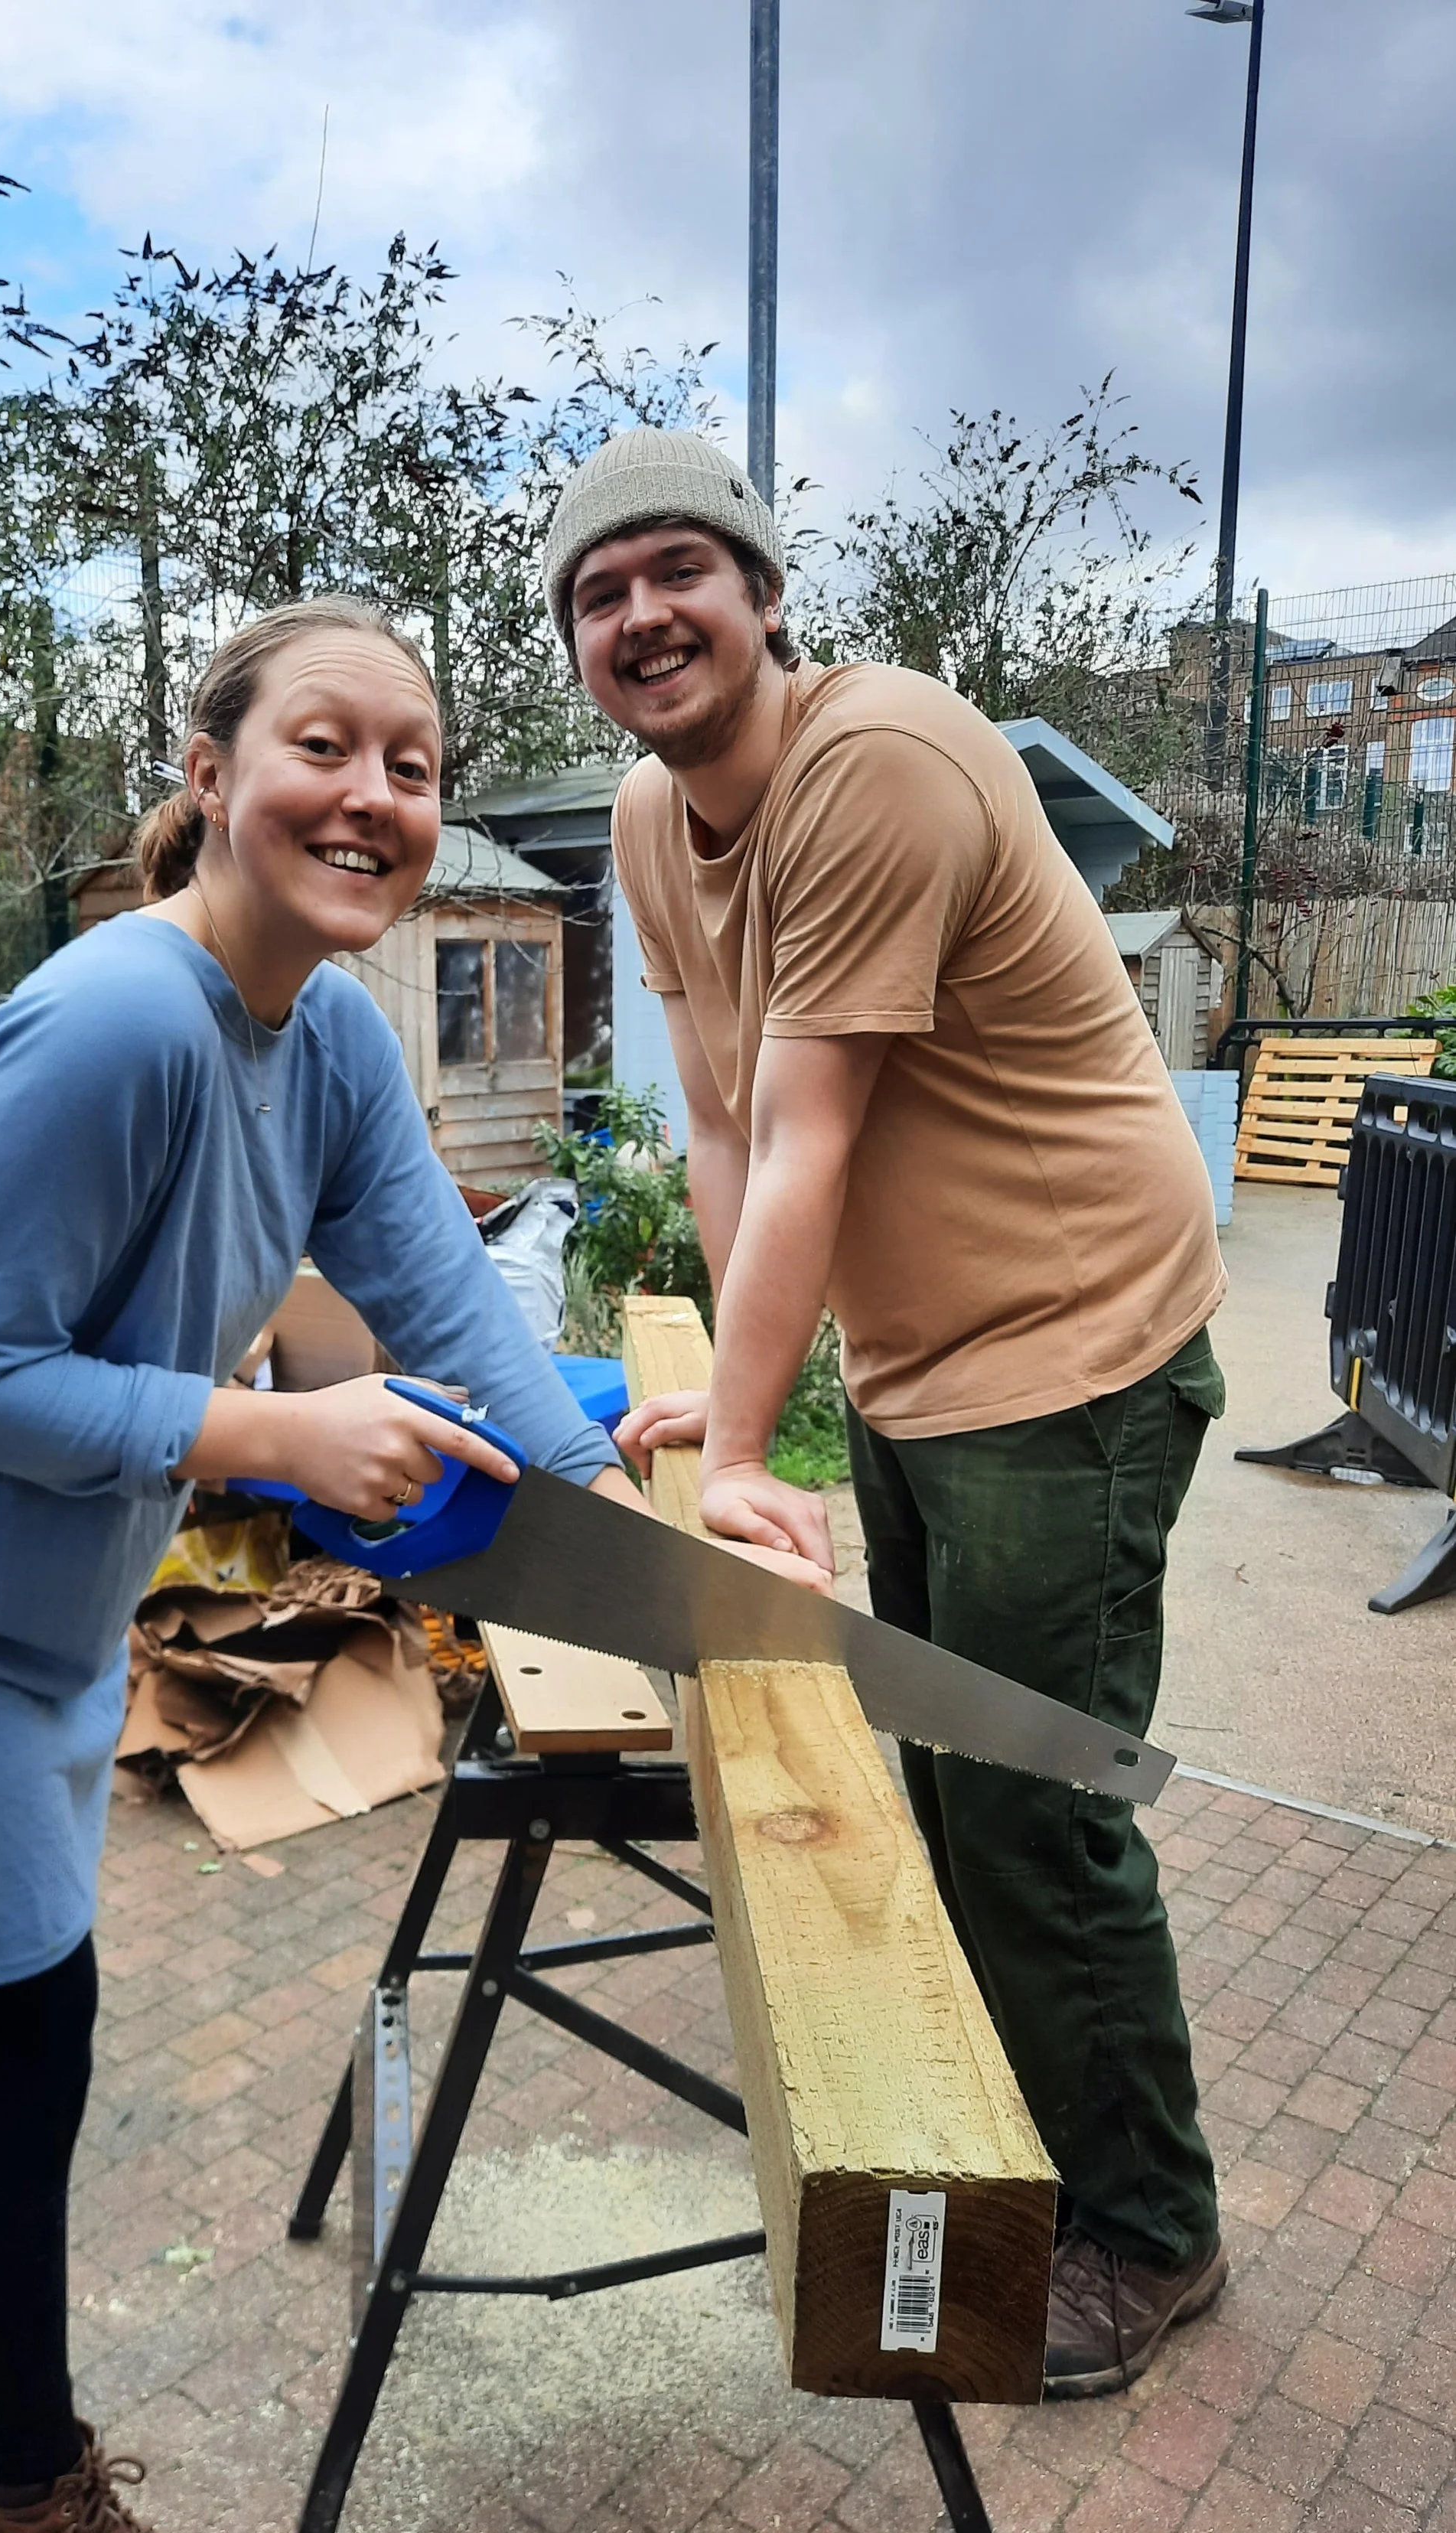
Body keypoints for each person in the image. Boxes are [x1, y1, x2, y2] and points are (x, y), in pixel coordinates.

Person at [0, 597, 653, 2533]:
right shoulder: (119, 1023)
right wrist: (280, 1436)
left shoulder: (317, 1040)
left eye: (415, 763)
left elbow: (456, 1311)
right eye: (329, 744)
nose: (376, 794)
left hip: (25, 1625)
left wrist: (617, 1505)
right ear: (210, 773)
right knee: (14, 2035)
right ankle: (36, 2504)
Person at [541, 427, 1229, 2399]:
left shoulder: (884, 765)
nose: (644, 614)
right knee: (936, 1772)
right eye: (601, 593)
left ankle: (1153, 2229)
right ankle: (1030, 2129)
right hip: (930, 1361)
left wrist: (751, 1444)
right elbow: (725, 1125)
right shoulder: (655, 822)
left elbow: (817, 1133)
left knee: (1032, 1797)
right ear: (580, 649)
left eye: (682, 569)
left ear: (763, 597)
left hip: (1077, 1340)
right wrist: (732, 1405)